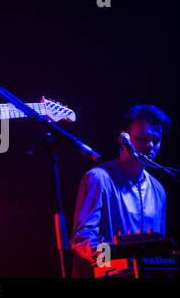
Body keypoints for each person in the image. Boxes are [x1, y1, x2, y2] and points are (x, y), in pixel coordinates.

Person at [70, 105, 171, 277]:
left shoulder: (158, 190)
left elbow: (157, 247)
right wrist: (119, 261)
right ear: (124, 139)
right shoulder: (98, 178)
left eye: (156, 140)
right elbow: (82, 239)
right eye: (142, 138)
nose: (150, 146)